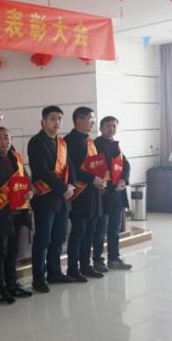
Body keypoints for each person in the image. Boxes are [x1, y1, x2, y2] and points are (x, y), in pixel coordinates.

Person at [0, 127, 34, 304]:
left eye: (6, 138)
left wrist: (29, 192)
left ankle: (12, 284)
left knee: (13, 251)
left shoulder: (16, 158)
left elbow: (26, 180)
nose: (4, 141)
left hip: (18, 212)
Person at [27, 106, 76, 294]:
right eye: (53, 118)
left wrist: (71, 186)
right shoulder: (36, 142)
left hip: (63, 199)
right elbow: (42, 171)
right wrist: (63, 188)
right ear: (43, 121)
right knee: (43, 239)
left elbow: (69, 166)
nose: (57, 122)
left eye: (59, 118)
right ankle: (38, 278)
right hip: (45, 198)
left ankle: (55, 272)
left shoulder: (61, 142)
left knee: (59, 237)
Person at [64, 106, 106, 282]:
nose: (93, 122)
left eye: (93, 118)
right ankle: (73, 269)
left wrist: (101, 179)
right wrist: (92, 179)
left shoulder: (89, 141)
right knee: (78, 232)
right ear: (78, 120)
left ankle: (86, 265)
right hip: (79, 194)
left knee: (90, 231)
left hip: (93, 193)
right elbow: (72, 169)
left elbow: (95, 165)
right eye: (90, 118)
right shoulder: (68, 141)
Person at [93, 116, 133, 271]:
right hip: (103, 193)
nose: (111, 129)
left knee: (115, 229)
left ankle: (114, 258)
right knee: (100, 230)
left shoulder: (116, 145)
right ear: (101, 128)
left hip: (117, 192)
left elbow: (126, 165)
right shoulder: (95, 145)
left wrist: (123, 180)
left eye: (114, 126)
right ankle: (97, 260)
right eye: (108, 126)